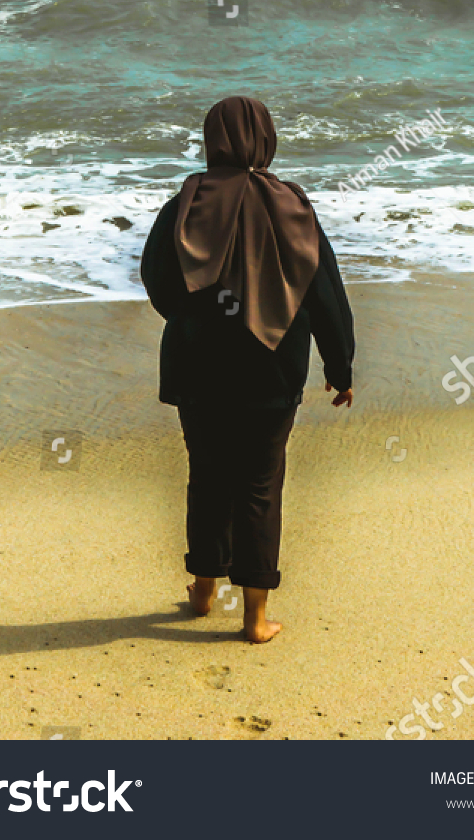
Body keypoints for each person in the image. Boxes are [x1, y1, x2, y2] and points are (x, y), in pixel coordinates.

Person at [140, 95, 355, 643]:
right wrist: (340, 364)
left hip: (198, 367)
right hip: (273, 369)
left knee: (207, 476)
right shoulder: (292, 205)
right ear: (266, 140)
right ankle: (256, 619)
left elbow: (155, 276)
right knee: (261, 484)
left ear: (212, 139)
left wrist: (192, 321)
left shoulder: (186, 201)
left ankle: (203, 591)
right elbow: (323, 289)